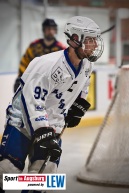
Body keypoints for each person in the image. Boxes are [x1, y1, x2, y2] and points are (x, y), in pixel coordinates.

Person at [0, 16, 104, 193]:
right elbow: (32, 99)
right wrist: (42, 131)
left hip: (53, 125)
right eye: (90, 40)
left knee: (44, 176)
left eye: (95, 39)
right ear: (75, 39)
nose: (95, 45)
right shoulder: (47, 65)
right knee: (7, 171)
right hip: (22, 123)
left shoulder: (86, 66)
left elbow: (83, 86)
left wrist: (77, 107)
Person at [14, 18, 66, 92]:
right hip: (33, 82)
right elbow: (25, 61)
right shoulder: (34, 46)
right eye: (48, 29)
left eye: (53, 29)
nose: (51, 31)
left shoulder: (61, 48)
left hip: (53, 85)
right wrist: (20, 77)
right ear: (44, 30)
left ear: (55, 31)